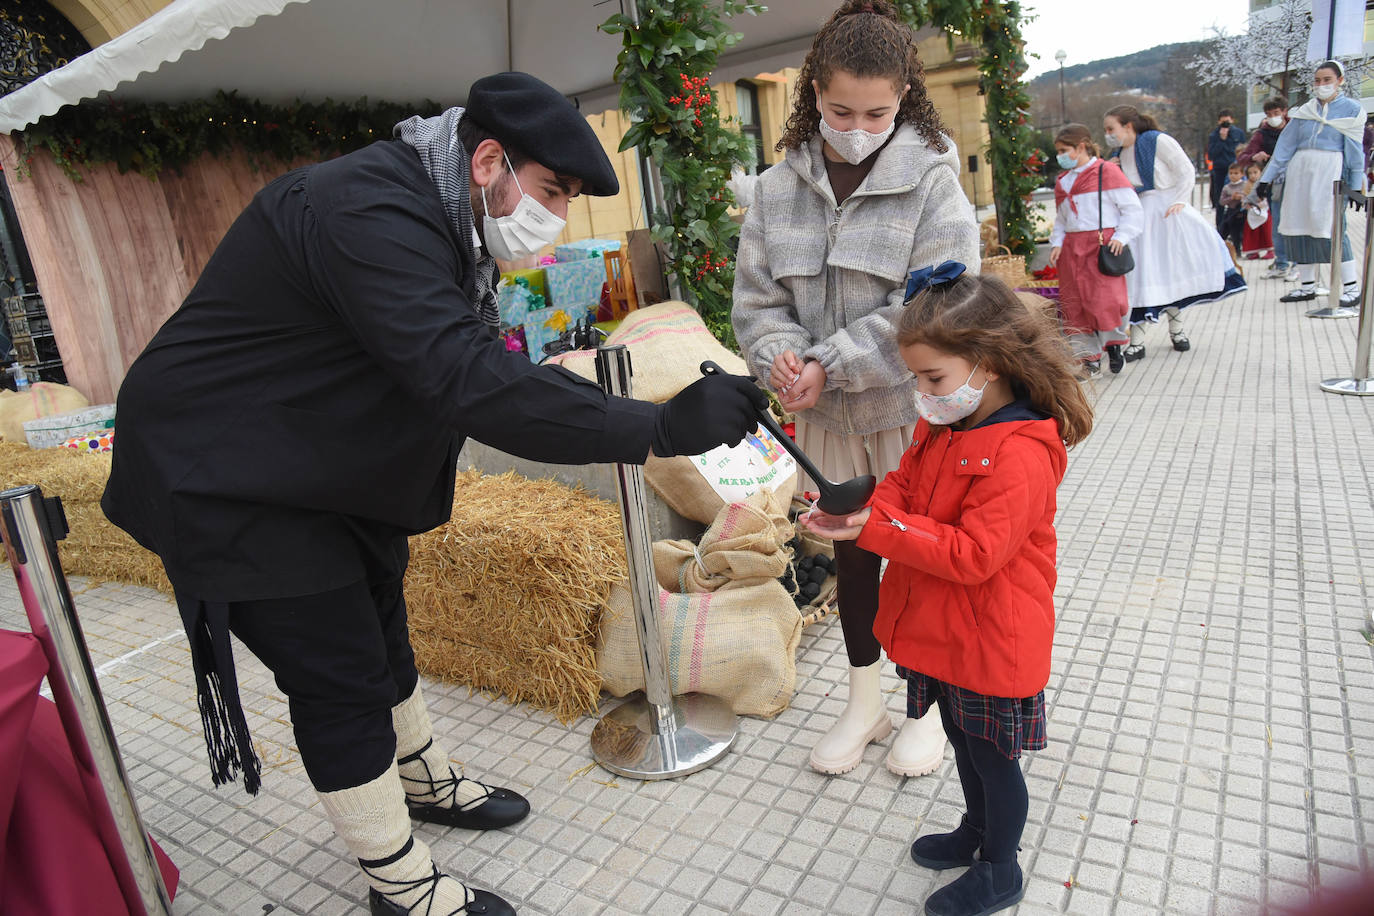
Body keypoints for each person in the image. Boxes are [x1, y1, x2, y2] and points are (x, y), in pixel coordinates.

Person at [100, 72, 767, 916]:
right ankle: (399, 882)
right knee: (338, 669)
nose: (557, 221)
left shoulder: (439, 208)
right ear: (488, 159)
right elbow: (462, 377)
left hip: (312, 454)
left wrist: (613, 410)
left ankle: (418, 777)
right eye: (552, 192)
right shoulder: (367, 210)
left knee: (380, 616)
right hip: (227, 470)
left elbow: (472, 360)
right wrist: (654, 427)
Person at [732, 0, 980, 780]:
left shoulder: (934, 184)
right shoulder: (776, 190)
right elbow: (757, 303)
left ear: (906, 95)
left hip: (913, 415)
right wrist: (780, 359)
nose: (859, 125)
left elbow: (935, 308)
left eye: (879, 111)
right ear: (814, 93)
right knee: (852, 562)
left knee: (921, 558)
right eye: (841, 109)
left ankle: (929, 709)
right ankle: (862, 701)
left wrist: (828, 362)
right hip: (827, 420)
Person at [800, 265, 1093, 916]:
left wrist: (876, 525)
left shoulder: (1021, 449)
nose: (924, 393)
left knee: (992, 757)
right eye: (918, 379)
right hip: (945, 629)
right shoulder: (944, 421)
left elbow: (975, 554)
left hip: (992, 634)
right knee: (962, 737)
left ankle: (1001, 867)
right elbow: (903, 486)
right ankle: (975, 831)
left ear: (986, 362)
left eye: (933, 377)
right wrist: (858, 510)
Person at [1103, 105, 1247, 361]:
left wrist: (1180, 200)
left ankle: (1176, 329)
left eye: (1111, 129)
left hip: (1167, 212)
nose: (1108, 135)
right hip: (1140, 216)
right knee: (1143, 274)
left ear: (1127, 126)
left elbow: (1185, 171)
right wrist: (1111, 170)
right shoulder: (1118, 154)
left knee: (1170, 270)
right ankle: (1138, 340)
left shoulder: (1158, 140)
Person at [1257, 61, 1366, 306]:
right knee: (1298, 224)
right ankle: (1307, 285)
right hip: (1300, 173)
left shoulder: (1351, 110)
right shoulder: (1305, 111)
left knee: (1333, 227)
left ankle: (1350, 286)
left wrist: (1356, 185)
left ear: (1340, 80)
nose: (1321, 85)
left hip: (1329, 173)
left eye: (1327, 79)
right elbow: (1285, 148)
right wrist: (1265, 179)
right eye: (1317, 80)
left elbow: (1354, 152)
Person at [1048, 123, 1142, 375]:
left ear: (1081, 147)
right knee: (1074, 304)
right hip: (1072, 248)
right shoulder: (1063, 182)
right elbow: (1062, 218)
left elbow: (1132, 208)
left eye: (1064, 150)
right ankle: (1088, 357)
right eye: (1058, 151)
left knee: (1106, 301)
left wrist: (1122, 236)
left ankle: (1113, 344)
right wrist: (1057, 243)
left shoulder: (1106, 172)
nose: (1060, 156)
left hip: (1102, 244)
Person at [1237, 96, 1295, 280]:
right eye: (1269, 114)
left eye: (1276, 113)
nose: (1273, 117)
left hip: (1296, 180)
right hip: (1274, 183)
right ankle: (1282, 262)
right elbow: (1243, 157)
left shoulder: (1295, 128)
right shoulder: (1262, 134)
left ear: (1285, 112)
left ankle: (1298, 264)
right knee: (1278, 223)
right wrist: (1256, 156)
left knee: (1296, 222)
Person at [1207, 108, 1246, 231]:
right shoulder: (1213, 135)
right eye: (1223, 122)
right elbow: (1212, 154)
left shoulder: (1238, 133)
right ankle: (1220, 226)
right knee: (1220, 197)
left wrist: (1227, 140)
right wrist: (1221, 139)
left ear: (1232, 121)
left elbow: (1241, 150)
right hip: (1220, 169)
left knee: (1240, 195)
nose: (1225, 125)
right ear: (1218, 122)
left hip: (1236, 168)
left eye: (1227, 122)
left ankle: (1240, 224)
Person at [1241, 162, 1274, 260]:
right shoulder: (1247, 185)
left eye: (1255, 172)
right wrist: (1246, 203)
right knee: (1253, 232)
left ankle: (1270, 250)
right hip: (1252, 211)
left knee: (1267, 231)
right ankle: (1254, 250)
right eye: (1250, 173)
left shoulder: (1265, 183)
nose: (1252, 175)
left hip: (1264, 211)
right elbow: (1244, 196)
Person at [1217, 161, 1248, 263]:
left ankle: (1245, 248)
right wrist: (1231, 198)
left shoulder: (1245, 185)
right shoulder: (1227, 187)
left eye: (1236, 173)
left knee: (1242, 232)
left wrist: (1241, 198)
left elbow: (1249, 197)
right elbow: (1221, 201)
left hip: (1242, 212)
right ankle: (1234, 250)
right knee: (1230, 231)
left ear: (1242, 174)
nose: (1233, 176)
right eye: (1231, 173)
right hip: (1231, 212)